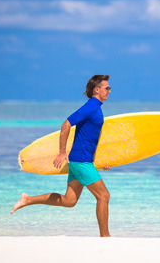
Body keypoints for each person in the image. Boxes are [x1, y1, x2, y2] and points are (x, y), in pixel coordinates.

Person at [11, 75, 112, 237]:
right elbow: (66, 123)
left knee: (69, 201)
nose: (109, 91)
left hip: (82, 160)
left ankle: (28, 200)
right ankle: (105, 236)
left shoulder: (96, 108)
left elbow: (90, 140)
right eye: (107, 88)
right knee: (103, 195)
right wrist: (61, 152)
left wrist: (100, 162)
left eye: (109, 88)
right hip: (80, 161)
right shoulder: (91, 106)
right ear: (97, 90)